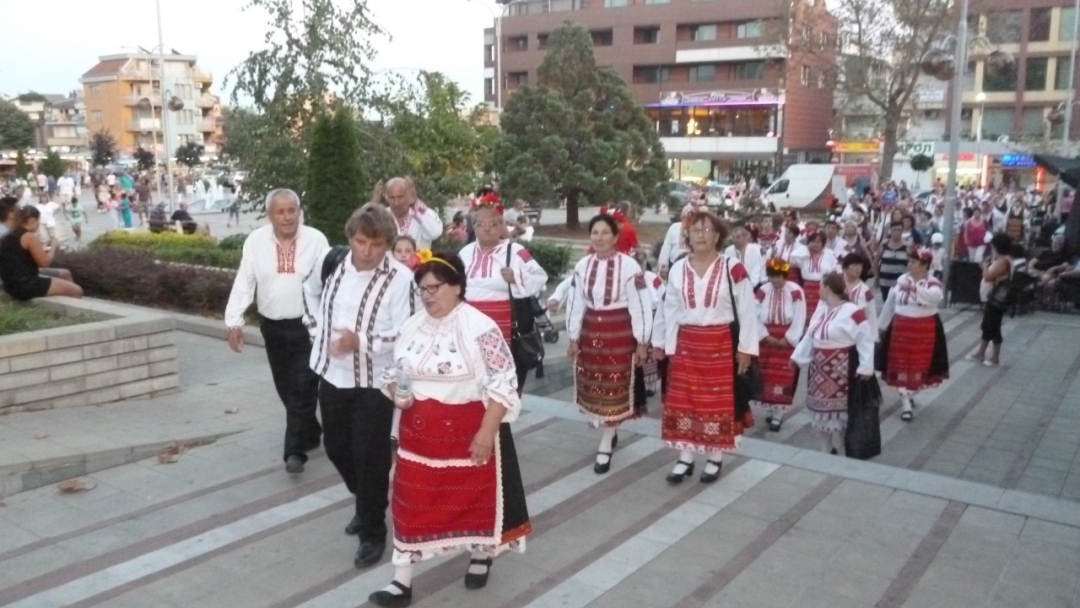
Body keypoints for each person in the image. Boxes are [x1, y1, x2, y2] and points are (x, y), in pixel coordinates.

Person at [370, 251, 530, 607]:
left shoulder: (481, 327)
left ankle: (480, 554)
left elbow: (503, 381)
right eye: (422, 289)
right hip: (418, 435)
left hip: (466, 432)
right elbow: (395, 375)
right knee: (411, 502)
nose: (428, 295)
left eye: (435, 287)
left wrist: (487, 433)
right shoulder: (412, 327)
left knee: (473, 499)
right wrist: (398, 394)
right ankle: (401, 580)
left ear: (457, 286)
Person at [303, 204, 414, 570]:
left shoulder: (400, 279)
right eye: (361, 241)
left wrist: (360, 342)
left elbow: (407, 333)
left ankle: (372, 530)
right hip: (333, 375)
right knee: (336, 447)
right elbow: (309, 290)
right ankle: (369, 500)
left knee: (370, 456)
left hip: (373, 382)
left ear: (387, 243)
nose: (366, 251)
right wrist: (315, 329)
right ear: (350, 237)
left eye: (376, 243)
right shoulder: (335, 263)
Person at [224, 189, 329, 474]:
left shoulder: (317, 240)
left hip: (309, 328)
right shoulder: (256, 241)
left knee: (301, 389)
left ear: (299, 211)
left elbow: (330, 284)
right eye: (280, 212)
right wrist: (234, 321)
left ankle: (293, 453)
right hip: (273, 328)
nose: (287, 217)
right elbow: (245, 281)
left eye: (291, 210)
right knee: (286, 390)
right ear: (270, 215)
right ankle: (309, 431)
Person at [651, 211, 757, 483]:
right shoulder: (677, 269)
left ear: (717, 235)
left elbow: (747, 309)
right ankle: (685, 457)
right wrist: (662, 344)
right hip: (686, 344)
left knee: (715, 404)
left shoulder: (733, 268)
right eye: (695, 230)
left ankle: (714, 457)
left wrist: (746, 348)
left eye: (706, 230)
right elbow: (668, 310)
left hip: (720, 344)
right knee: (684, 402)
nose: (700, 234)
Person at [566, 212, 652, 474]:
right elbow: (576, 301)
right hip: (591, 333)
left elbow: (640, 304)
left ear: (615, 237)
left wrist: (642, 340)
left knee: (615, 386)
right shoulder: (583, 266)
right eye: (595, 233)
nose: (599, 238)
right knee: (596, 384)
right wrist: (573, 336)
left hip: (619, 332)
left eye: (605, 233)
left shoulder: (630, 267)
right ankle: (607, 431)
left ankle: (606, 442)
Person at [458, 197, 549, 394]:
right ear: (473, 227)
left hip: (503, 328)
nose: (487, 229)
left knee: (500, 387)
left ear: (501, 226)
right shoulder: (465, 253)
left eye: (493, 224)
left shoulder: (514, 251)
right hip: (469, 328)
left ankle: (500, 421)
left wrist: (516, 276)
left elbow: (540, 277)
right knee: (473, 383)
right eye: (481, 224)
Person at [790, 273, 875, 454]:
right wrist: (797, 357)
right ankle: (826, 447)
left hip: (842, 369)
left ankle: (844, 447)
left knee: (841, 413)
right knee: (820, 411)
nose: (818, 289)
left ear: (828, 288)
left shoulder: (853, 311)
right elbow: (810, 336)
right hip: (819, 369)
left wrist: (866, 366)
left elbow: (865, 338)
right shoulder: (822, 310)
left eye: (821, 286)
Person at [877, 246, 949, 421]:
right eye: (909, 261)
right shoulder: (902, 280)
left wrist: (914, 288)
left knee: (919, 364)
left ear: (925, 265)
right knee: (900, 364)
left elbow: (934, 298)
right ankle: (905, 402)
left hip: (924, 329)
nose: (910, 265)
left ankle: (910, 392)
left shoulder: (932, 284)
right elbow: (890, 304)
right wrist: (881, 326)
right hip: (901, 327)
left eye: (914, 262)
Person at [751, 257, 806, 433]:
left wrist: (788, 338)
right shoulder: (762, 291)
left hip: (786, 341)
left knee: (783, 377)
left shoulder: (796, 291)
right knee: (766, 376)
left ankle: (778, 415)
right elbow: (754, 314)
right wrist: (765, 335)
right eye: (772, 277)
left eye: (779, 277)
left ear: (785, 276)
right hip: (767, 340)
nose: (775, 280)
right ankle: (769, 407)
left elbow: (799, 317)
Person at [0, 206, 83, 300]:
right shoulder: (28, 236)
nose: (39, 224)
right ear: (32, 220)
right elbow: (45, 262)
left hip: (10, 282)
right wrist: (54, 247)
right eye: (38, 221)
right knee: (77, 290)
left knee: (65, 273)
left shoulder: (9, 235)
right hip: (25, 284)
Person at [971, 233, 1015, 366]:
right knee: (990, 325)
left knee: (991, 326)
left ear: (997, 246)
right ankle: (983, 353)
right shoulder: (1000, 259)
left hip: (996, 299)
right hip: (991, 298)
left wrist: (985, 266)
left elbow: (988, 277)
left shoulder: (1003, 261)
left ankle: (991, 356)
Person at [384, 177, 443, 249]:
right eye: (392, 198)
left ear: (409, 195)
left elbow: (435, 233)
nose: (396, 203)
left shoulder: (423, 214)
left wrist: (415, 203)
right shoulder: (382, 216)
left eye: (400, 197)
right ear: (386, 197)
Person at [800, 231, 839, 319]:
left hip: (824, 286)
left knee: (822, 309)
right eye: (813, 241)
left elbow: (836, 268)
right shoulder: (804, 254)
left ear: (823, 243)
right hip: (808, 287)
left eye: (818, 242)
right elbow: (793, 257)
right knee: (805, 310)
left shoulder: (829, 253)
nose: (815, 244)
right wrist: (806, 249)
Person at [841, 251, 878, 336]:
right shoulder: (836, 284)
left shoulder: (865, 290)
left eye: (860, 265)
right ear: (845, 267)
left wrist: (873, 337)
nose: (858, 268)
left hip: (857, 331)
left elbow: (871, 313)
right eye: (854, 265)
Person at [876, 220, 909, 300]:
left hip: (901, 282)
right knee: (886, 302)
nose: (896, 232)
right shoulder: (884, 244)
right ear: (890, 231)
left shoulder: (907, 245)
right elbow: (876, 261)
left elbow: (910, 263)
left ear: (902, 231)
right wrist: (876, 277)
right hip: (885, 280)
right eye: (894, 229)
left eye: (899, 229)